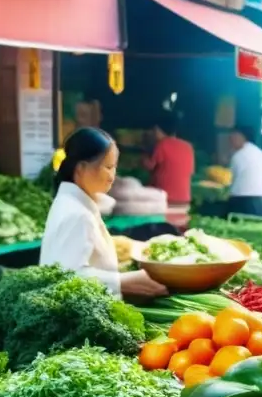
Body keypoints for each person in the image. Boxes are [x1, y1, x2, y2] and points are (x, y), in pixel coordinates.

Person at [40, 127, 167, 298]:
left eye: (114, 167)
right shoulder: (77, 214)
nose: (112, 175)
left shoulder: (74, 204)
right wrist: (124, 282)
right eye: (108, 166)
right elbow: (66, 277)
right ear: (81, 168)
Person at [144, 114, 194, 207]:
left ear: (159, 130)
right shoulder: (188, 146)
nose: (153, 133)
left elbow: (149, 166)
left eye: (154, 130)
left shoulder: (162, 144)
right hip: (184, 199)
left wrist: (146, 149)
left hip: (165, 198)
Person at [226, 126, 262, 217]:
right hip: (261, 201)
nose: (231, 141)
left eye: (233, 138)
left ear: (242, 137)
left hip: (241, 200)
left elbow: (230, 179)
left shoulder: (238, 155)